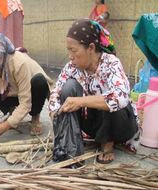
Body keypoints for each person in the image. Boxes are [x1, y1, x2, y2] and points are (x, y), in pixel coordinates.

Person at [48, 19, 139, 164]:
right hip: (93, 124)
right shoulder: (72, 67)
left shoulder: (110, 63)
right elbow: (56, 91)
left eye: (74, 50)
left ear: (90, 48)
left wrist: (80, 101)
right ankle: (72, 145)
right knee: (68, 86)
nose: (70, 56)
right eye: (68, 50)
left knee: (114, 102)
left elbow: (120, 97)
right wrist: (55, 112)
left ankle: (108, 143)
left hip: (120, 125)